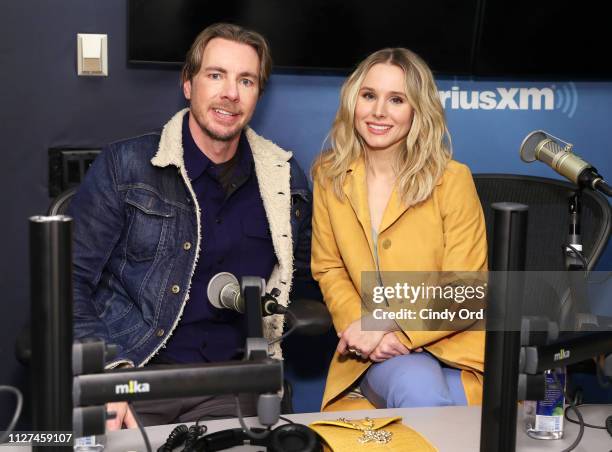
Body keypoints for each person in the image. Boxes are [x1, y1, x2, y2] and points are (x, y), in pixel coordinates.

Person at [70, 23, 313, 428]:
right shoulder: (125, 165)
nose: (230, 93)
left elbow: (306, 276)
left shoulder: (284, 180)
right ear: (188, 84)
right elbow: (69, 282)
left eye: (246, 80)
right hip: (135, 376)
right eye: (216, 75)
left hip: (230, 385)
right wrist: (105, 378)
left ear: (257, 95)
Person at [311, 48, 488, 412]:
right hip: (375, 356)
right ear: (352, 101)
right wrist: (364, 332)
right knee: (416, 384)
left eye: (396, 99)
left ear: (417, 110)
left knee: (443, 405)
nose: (379, 111)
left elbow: (467, 289)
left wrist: (390, 323)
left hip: (456, 350)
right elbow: (329, 268)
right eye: (369, 95)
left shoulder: (453, 180)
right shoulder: (329, 176)